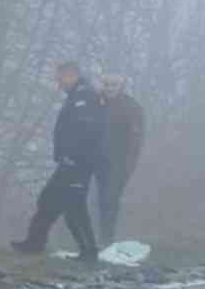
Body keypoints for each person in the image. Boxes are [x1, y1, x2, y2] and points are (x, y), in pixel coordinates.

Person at [12, 61, 102, 262]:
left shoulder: (84, 96)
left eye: (61, 78)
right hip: (69, 161)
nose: (58, 83)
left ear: (73, 75)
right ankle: (34, 243)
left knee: (74, 206)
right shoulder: (76, 96)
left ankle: (89, 251)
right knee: (49, 199)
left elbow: (86, 130)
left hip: (78, 162)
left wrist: (73, 156)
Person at [95, 73, 145, 245]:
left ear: (121, 86)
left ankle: (107, 240)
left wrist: (129, 165)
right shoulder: (95, 103)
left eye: (114, 85)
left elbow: (136, 139)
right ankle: (101, 238)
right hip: (97, 160)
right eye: (107, 84)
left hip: (119, 162)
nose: (109, 88)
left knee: (110, 198)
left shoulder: (131, 106)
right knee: (101, 199)